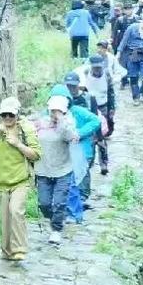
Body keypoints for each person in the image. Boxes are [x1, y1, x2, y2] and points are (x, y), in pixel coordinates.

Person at [0, 97, 41, 262]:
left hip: (20, 181)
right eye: (4, 115)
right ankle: (7, 251)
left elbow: (36, 154)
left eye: (11, 115)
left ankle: (19, 249)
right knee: (4, 218)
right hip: (1, 183)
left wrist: (18, 144)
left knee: (16, 210)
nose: (8, 118)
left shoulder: (26, 131)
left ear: (17, 114)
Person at [33, 95, 79, 246]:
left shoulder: (68, 125)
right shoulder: (41, 123)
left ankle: (56, 230)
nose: (54, 114)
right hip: (43, 170)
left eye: (58, 111)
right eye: (52, 111)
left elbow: (71, 137)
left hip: (62, 170)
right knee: (44, 203)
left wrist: (61, 121)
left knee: (59, 202)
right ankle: (55, 219)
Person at [49, 83, 100, 218]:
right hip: (60, 155)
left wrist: (80, 133)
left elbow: (95, 121)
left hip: (80, 152)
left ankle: (75, 211)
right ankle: (71, 210)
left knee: (75, 182)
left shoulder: (77, 111)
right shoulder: (48, 115)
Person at [76, 55, 115, 175]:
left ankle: (104, 164)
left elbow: (111, 92)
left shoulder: (107, 74)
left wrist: (112, 108)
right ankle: (90, 161)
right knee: (90, 135)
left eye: (99, 67)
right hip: (88, 108)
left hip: (103, 107)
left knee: (102, 136)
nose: (98, 70)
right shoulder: (85, 73)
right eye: (95, 68)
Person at [111, 2, 136, 88]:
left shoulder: (137, 19)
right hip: (122, 42)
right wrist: (113, 41)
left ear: (132, 9)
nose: (128, 11)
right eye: (126, 9)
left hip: (134, 42)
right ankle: (124, 81)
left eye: (129, 9)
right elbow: (114, 32)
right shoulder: (120, 20)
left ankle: (132, 80)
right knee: (122, 62)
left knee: (133, 62)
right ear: (124, 10)